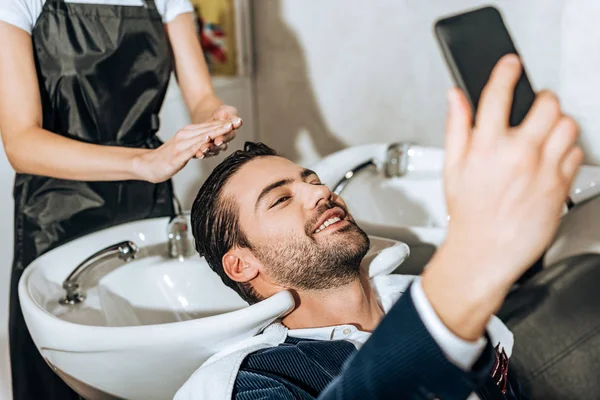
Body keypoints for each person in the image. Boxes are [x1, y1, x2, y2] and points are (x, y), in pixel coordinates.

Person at [176, 54, 583, 399]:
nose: (319, 194)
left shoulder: (411, 296)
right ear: (242, 265)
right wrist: (462, 275)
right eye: (281, 199)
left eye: (313, 180)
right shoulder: (254, 380)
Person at [0, 0, 241, 398]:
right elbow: (21, 141)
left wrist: (216, 115)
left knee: (152, 360)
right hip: (57, 209)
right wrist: (145, 162)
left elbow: (201, 97)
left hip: (146, 200)